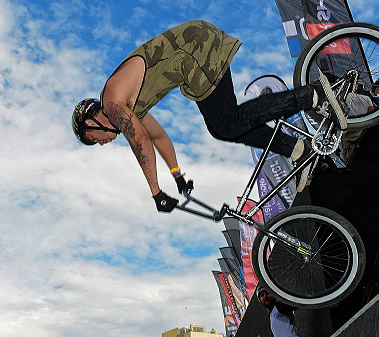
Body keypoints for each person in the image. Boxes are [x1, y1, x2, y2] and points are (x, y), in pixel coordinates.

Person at [72, 20, 347, 212]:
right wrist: (177, 176)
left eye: (93, 139)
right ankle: (298, 149)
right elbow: (157, 137)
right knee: (222, 127)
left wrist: (156, 193)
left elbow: (141, 141)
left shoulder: (112, 102)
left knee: (227, 123)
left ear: (91, 122)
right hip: (195, 50)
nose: (100, 143)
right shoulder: (131, 110)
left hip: (195, 49)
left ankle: (312, 96)